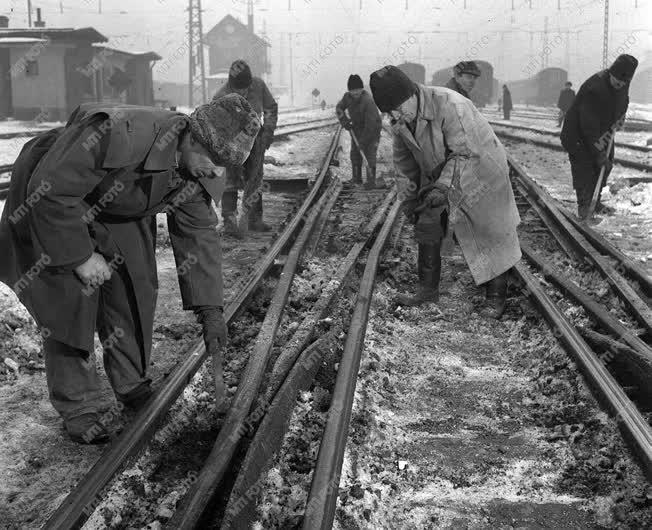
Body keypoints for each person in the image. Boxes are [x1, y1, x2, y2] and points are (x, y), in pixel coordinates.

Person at [0, 95, 261, 443]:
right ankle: (79, 405)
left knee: (135, 284)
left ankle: (131, 381)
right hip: (51, 196)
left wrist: (211, 309)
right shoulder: (116, 133)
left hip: (119, 202)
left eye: (225, 164)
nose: (217, 171)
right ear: (192, 137)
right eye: (214, 160)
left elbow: (198, 235)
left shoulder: (199, 167)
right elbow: (51, 193)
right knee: (68, 300)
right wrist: (79, 256)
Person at [369, 65, 521, 318]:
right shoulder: (401, 118)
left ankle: (496, 298)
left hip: (482, 169)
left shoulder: (450, 104)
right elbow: (404, 165)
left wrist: (442, 186)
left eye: (397, 108)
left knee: (490, 230)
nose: (395, 115)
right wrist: (409, 201)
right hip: (443, 170)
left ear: (412, 95)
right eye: (389, 112)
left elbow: (465, 153)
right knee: (427, 217)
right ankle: (427, 291)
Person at [561, 54, 638, 219]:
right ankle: (584, 205)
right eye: (617, 81)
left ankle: (596, 202)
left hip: (603, 130)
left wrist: (621, 117)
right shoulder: (594, 88)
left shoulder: (623, 82)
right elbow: (589, 126)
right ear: (611, 73)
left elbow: (624, 100)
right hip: (578, 134)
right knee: (586, 166)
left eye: (623, 83)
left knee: (606, 164)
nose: (619, 85)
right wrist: (598, 153)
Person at [215, 59, 278, 235]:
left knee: (255, 178)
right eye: (238, 90)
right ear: (231, 85)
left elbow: (271, 108)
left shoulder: (258, 85)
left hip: (256, 139)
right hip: (231, 142)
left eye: (245, 88)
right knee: (230, 181)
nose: (243, 92)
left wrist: (268, 133)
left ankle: (255, 220)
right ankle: (229, 222)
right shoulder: (220, 97)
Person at [335, 74, 382, 189]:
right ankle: (356, 179)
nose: (355, 93)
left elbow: (371, 125)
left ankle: (371, 182)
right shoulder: (347, 97)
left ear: (362, 89)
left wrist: (363, 142)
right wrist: (345, 121)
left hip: (373, 130)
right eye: (352, 90)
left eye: (357, 90)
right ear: (349, 91)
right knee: (355, 154)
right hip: (357, 129)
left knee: (369, 154)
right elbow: (339, 109)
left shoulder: (368, 101)